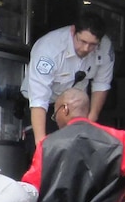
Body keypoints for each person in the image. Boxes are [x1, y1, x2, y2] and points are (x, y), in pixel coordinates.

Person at [21, 13, 114, 148]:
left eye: (93, 44)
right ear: (73, 31)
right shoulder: (48, 49)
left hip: (77, 107)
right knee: (43, 150)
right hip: (44, 106)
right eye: (82, 41)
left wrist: (89, 122)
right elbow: (39, 100)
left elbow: (101, 84)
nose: (86, 48)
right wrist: (40, 145)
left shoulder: (105, 47)